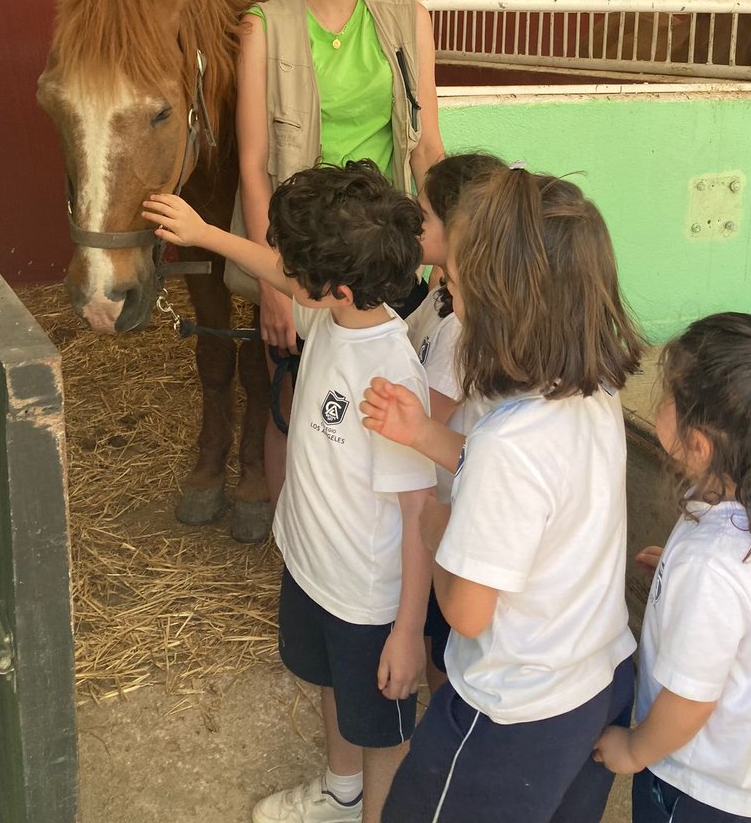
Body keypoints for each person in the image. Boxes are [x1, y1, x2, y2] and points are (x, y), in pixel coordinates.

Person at [143, 161, 437, 823]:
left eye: (291, 265)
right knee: (330, 685)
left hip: (369, 603)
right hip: (315, 571)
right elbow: (281, 273)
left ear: (331, 287)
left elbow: (419, 511)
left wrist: (408, 631)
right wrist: (206, 234)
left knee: (382, 734)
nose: (278, 272)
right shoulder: (334, 317)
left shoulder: (389, 378)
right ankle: (341, 792)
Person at [360, 166, 644, 823]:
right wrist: (426, 433)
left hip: (510, 713)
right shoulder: (590, 391)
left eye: (454, 288)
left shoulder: (508, 445)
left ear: (501, 303)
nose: (445, 295)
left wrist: (432, 526)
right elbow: (529, 497)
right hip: (599, 678)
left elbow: (466, 612)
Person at [234, 0, 444, 503]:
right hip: (301, 247)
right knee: (292, 392)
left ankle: (370, 542)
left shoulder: (407, 21)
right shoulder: (264, 27)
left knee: (381, 394)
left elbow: (425, 143)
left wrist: (446, 241)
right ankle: (293, 546)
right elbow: (252, 162)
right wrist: (274, 279)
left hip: (381, 244)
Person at [593, 312, 751, 823]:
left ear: (700, 443)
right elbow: (744, 608)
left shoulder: (711, 566)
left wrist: (634, 749)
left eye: (667, 395)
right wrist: (675, 573)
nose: (658, 399)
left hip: (695, 788)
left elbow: (689, 702)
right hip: (741, 764)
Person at [404, 151, 505, 691]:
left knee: (448, 645)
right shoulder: (440, 298)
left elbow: (426, 421)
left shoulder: (457, 327)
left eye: (424, 215)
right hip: (442, 504)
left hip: (445, 509)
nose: (414, 224)